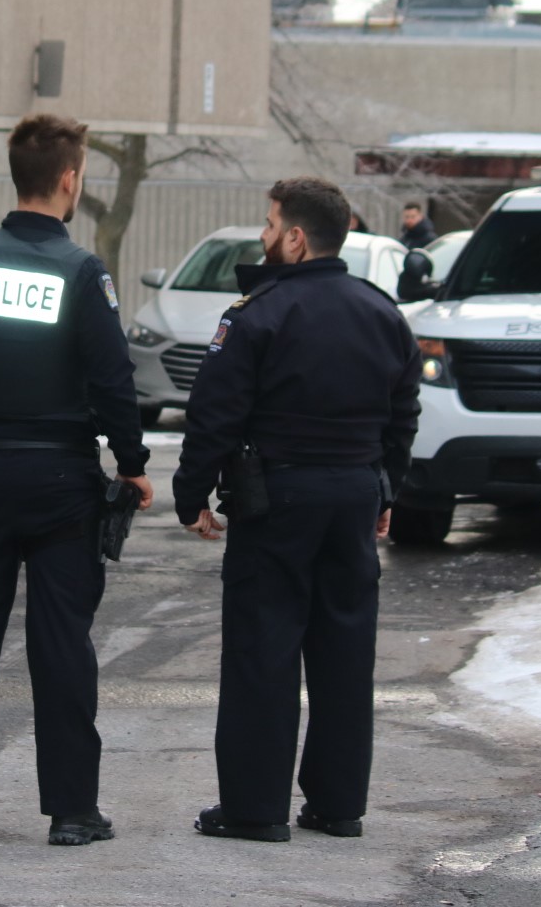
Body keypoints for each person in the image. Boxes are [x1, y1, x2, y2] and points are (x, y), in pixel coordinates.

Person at [0, 113, 154, 848]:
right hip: (60, 480)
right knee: (62, 645)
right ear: (70, 180)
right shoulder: (80, 272)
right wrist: (133, 464)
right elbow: (112, 378)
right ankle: (72, 811)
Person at [172, 177, 421, 843]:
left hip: (276, 497)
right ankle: (338, 807)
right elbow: (403, 414)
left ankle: (255, 810)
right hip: (352, 496)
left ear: (297, 238)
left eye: (269, 223)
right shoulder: (382, 313)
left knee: (263, 649)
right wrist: (385, 491)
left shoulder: (258, 314)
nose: (263, 235)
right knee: (345, 654)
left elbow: (214, 413)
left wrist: (191, 495)